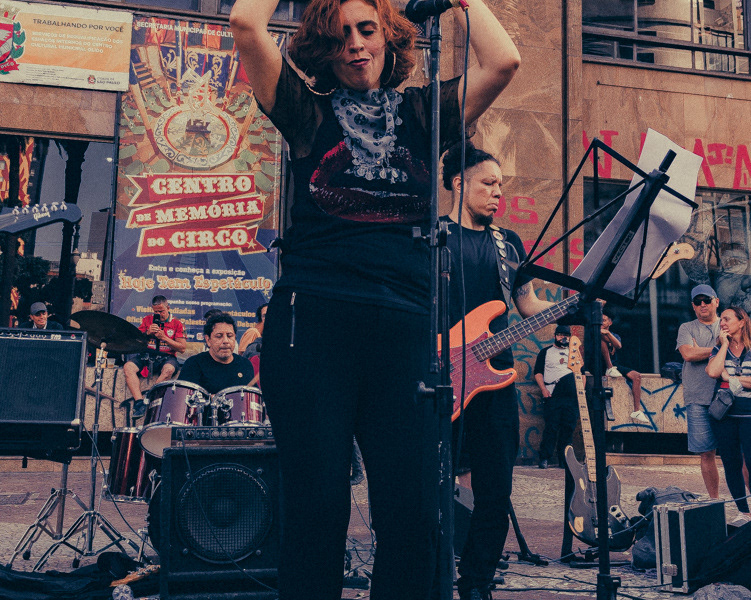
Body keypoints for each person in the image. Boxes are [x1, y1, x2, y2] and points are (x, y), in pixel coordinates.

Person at [229, 0, 520, 597]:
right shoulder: (305, 111)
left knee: (412, 515)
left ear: (389, 38)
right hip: (313, 327)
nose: (356, 45)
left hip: (405, 332)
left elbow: (503, 62)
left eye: (367, 30)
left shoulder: (424, 114)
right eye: (340, 36)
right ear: (323, 49)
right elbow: (245, 24)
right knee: (316, 512)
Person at [441, 141, 554, 599]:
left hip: (496, 378)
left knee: (496, 489)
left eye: (501, 186)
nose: (497, 193)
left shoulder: (509, 244)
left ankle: (476, 583)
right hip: (440, 377)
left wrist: (576, 307)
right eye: (488, 183)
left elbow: (527, 304)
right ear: (458, 182)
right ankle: (429, 575)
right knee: (430, 485)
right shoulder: (432, 237)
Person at [706, 306, 751, 526]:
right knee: (731, 464)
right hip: (724, 416)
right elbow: (713, 372)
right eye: (721, 320)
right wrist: (723, 345)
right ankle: (744, 512)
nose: (722, 323)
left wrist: (731, 379)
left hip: (749, 416)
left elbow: (725, 376)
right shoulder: (718, 349)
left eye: (726, 319)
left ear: (741, 322)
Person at [676, 284, 721, 500]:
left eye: (706, 300)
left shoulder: (727, 323)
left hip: (729, 396)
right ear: (693, 306)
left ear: (716, 302)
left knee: (741, 453)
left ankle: (745, 505)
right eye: (697, 301)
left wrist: (700, 351)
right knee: (706, 453)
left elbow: (739, 352)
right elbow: (688, 354)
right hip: (697, 398)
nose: (703, 304)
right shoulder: (686, 327)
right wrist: (719, 349)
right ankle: (714, 501)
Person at [123, 295, 187, 418]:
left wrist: (164, 338)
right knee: (128, 367)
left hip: (167, 356)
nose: (159, 314)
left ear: (168, 308)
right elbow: (136, 341)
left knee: (169, 370)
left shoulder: (177, 323)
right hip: (147, 354)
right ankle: (139, 402)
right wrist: (147, 333)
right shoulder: (147, 320)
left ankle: (149, 397)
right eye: (155, 312)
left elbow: (182, 348)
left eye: (161, 311)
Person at [534, 325, 578, 470]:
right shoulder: (545, 352)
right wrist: (543, 389)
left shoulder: (574, 353)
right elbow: (538, 372)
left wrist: (580, 392)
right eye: (560, 335)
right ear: (555, 336)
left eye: (566, 335)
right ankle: (544, 458)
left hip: (571, 397)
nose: (563, 338)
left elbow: (581, 373)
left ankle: (564, 460)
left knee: (568, 428)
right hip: (553, 394)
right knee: (551, 427)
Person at [179, 313, 254, 395]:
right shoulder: (193, 364)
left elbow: (253, 398)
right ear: (208, 340)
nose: (226, 341)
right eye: (219, 336)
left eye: (229, 336)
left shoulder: (245, 364)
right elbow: (182, 397)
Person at [600, 307, 648, 424]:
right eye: (600, 320)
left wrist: (608, 333)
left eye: (604, 321)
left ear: (610, 322)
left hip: (614, 365)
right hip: (597, 365)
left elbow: (618, 345)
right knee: (602, 340)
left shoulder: (614, 335)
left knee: (637, 376)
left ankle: (636, 411)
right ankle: (609, 368)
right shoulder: (594, 332)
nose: (601, 323)